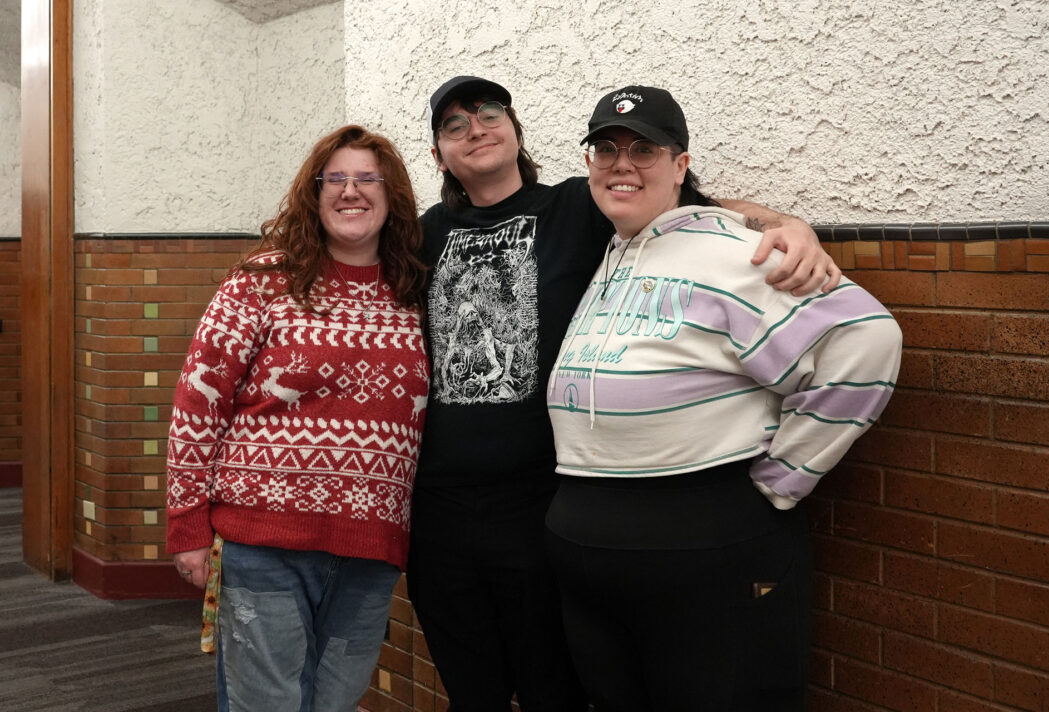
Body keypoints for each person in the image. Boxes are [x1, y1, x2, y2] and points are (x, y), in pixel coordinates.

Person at [407, 76, 845, 712]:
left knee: (553, 688)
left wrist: (789, 225)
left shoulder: (573, 208)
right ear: (439, 155)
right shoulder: (422, 238)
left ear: (515, 132)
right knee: (470, 690)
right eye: (454, 125)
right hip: (441, 509)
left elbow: (687, 204)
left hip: (539, 501)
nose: (475, 129)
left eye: (489, 113)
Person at [543, 85, 902, 711]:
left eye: (644, 149)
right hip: (593, 559)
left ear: (681, 165)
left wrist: (782, 477)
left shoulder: (736, 252)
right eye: (605, 148)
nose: (622, 163)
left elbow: (867, 339)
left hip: (705, 548)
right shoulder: (610, 247)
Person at [166, 125, 429, 712]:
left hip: (370, 548)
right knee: (268, 705)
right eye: (334, 179)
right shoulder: (261, 281)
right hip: (264, 541)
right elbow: (197, 402)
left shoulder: (415, 291)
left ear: (393, 197)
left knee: (335, 703)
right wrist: (188, 524)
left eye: (367, 179)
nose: (351, 191)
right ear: (313, 194)